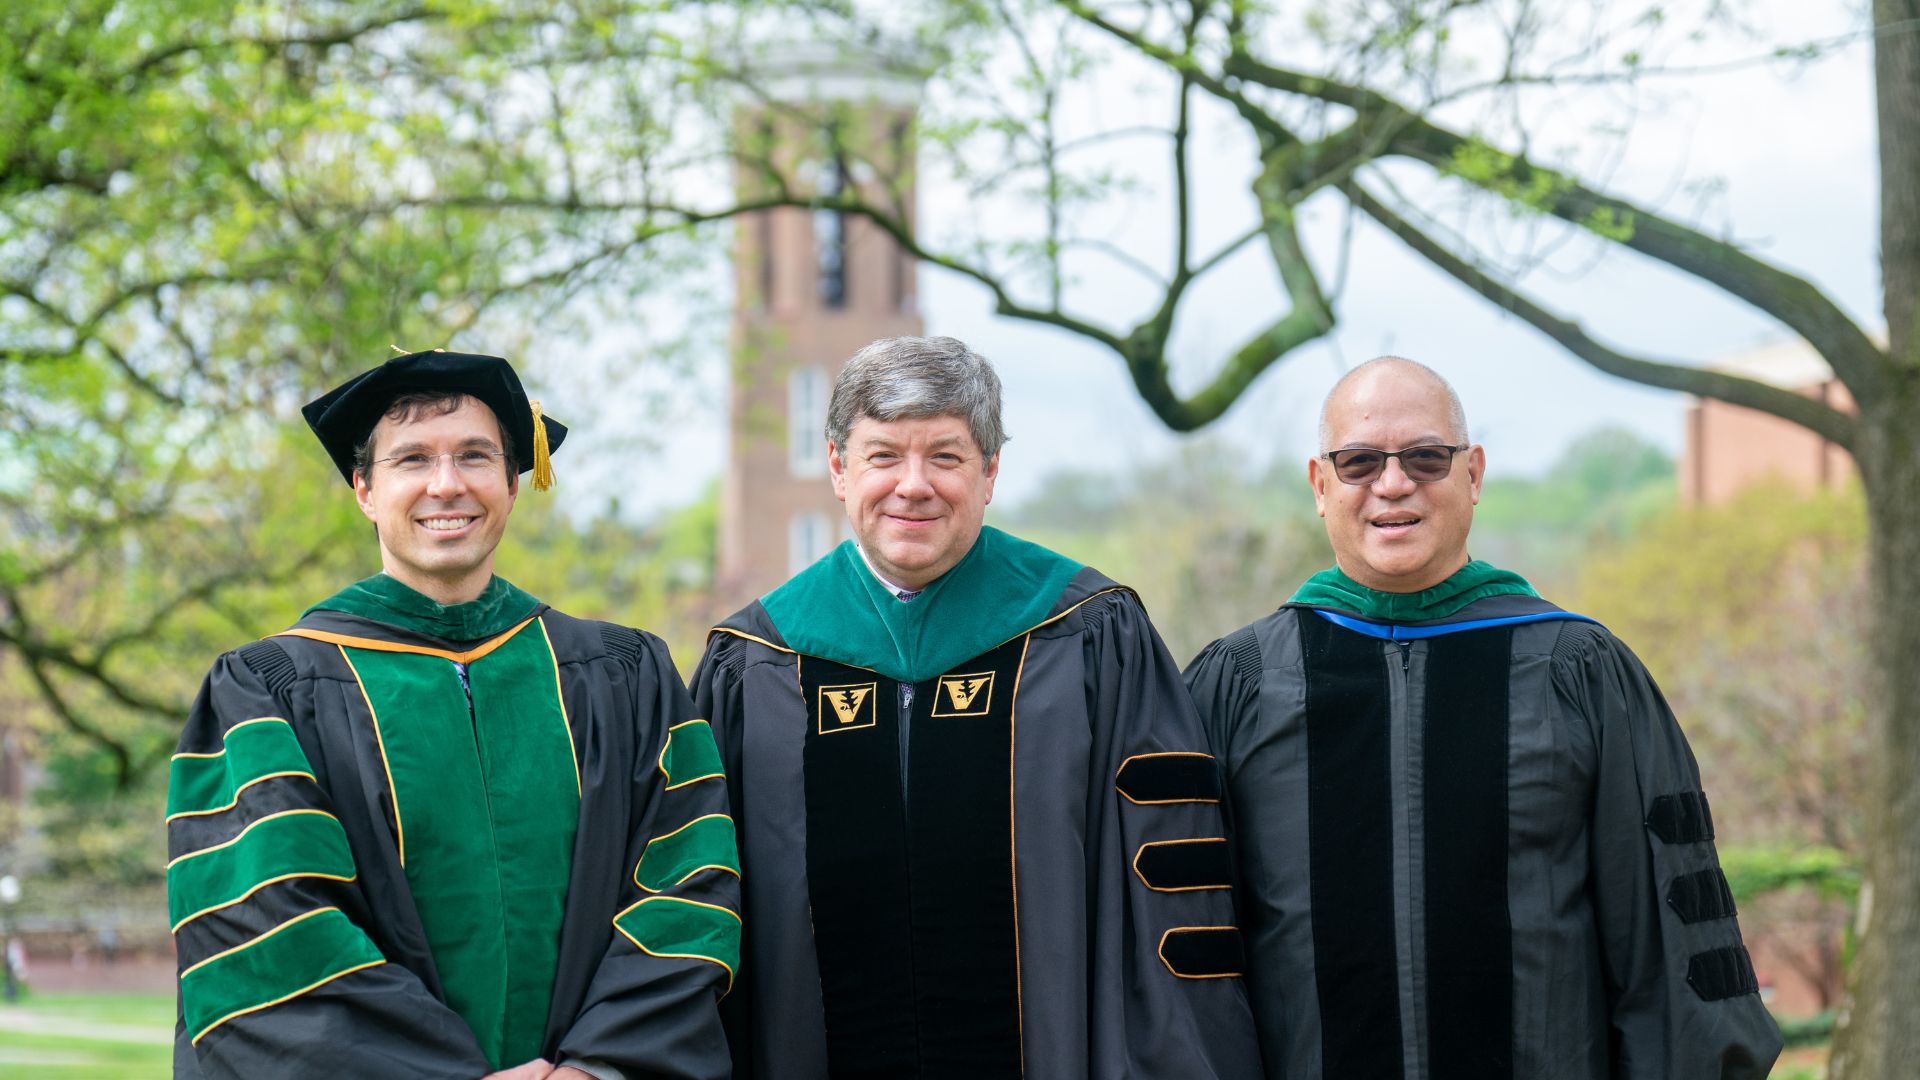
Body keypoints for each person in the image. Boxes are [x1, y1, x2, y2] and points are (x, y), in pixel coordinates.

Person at [1185, 356, 1784, 1079]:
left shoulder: (1581, 672)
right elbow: (1190, 972)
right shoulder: (1242, 685)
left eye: (1426, 458)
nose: (1393, 482)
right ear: (1320, 484)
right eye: (1360, 461)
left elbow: (1671, 950)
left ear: (1473, 474)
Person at [692, 336, 1262, 1078]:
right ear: (838, 468)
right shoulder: (755, 661)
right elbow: (701, 905)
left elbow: (1172, 901)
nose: (913, 485)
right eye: (883, 456)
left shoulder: (1090, 635)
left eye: (947, 457)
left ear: (990, 471)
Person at [166, 351, 739, 1079]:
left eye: (474, 455)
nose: (447, 484)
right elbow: (268, 927)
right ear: (365, 490)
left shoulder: (624, 677)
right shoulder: (267, 690)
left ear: (511, 483)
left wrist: (599, 1065)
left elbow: (688, 884)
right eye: (412, 459)